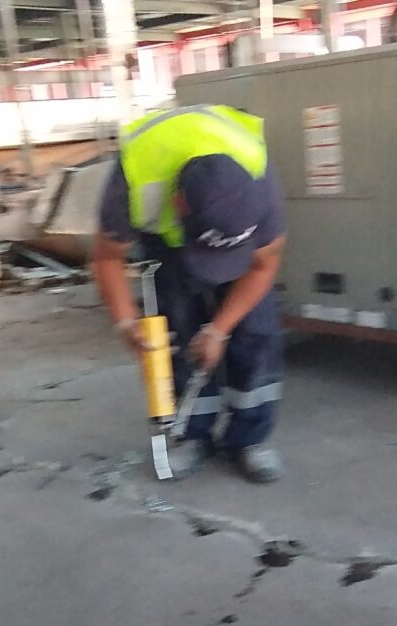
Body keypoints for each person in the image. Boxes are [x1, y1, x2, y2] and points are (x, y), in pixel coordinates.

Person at [93, 104, 287, 483]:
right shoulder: (134, 175)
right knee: (177, 332)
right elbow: (107, 257)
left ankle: (250, 438)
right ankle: (192, 433)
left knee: (256, 331)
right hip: (168, 244)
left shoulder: (259, 187)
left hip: (237, 237)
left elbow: (263, 266)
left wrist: (218, 330)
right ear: (178, 202)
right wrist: (125, 322)